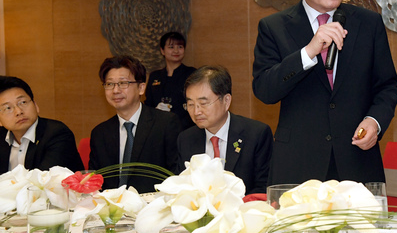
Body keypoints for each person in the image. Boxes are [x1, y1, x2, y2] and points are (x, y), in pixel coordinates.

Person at [252, 0, 397, 184]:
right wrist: (308, 52)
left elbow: (387, 86)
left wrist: (375, 122)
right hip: (298, 167)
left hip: (357, 163)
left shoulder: (369, 23)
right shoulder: (273, 27)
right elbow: (265, 90)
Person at [89, 56, 181, 193]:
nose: (115, 90)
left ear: (141, 88)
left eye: (123, 83)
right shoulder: (100, 133)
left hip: (152, 208)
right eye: (109, 84)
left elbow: (176, 177)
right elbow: (95, 182)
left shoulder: (166, 124)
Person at [177, 65, 272, 194]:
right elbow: (181, 187)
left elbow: (264, 188)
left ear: (226, 101)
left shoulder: (256, 134)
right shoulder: (186, 139)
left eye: (203, 103)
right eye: (190, 104)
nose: (196, 111)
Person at [0, 76, 84, 172]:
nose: (18, 111)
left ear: (36, 105)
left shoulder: (57, 134)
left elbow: (43, 182)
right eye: (8, 108)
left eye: (22, 102)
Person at [144, 32, 196, 130]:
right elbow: (148, 105)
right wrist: (155, 111)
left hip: (186, 129)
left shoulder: (192, 74)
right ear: (162, 50)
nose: (176, 51)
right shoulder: (155, 76)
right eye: (171, 47)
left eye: (180, 47)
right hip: (159, 129)